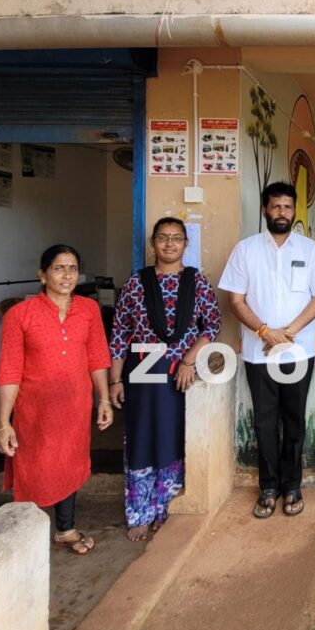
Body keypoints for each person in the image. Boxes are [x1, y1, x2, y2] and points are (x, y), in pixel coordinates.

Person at [220, 181, 315, 519]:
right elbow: (235, 300)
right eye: (275, 206)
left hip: (298, 353)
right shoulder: (246, 250)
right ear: (265, 210)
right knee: (264, 422)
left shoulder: (309, 250)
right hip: (259, 353)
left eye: (287, 207)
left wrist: (289, 332)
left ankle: (292, 486)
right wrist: (265, 332)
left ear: (294, 210)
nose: (281, 212)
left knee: (295, 421)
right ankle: (268, 487)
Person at [0, 244, 113, 555]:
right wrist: (3, 423)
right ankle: (25, 536)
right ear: (42, 274)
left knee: (68, 463)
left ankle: (65, 529)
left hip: (75, 405)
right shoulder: (20, 315)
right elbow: (9, 370)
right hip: (34, 409)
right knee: (32, 467)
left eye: (72, 268)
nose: (67, 275)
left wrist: (103, 399)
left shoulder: (88, 310)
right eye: (59, 268)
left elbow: (97, 356)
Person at [108, 217, 222, 541]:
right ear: (153, 243)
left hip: (180, 371)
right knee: (142, 435)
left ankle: (166, 509)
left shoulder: (197, 283)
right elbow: (120, 332)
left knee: (172, 436)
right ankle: (140, 512)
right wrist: (115, 380)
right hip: (143, 366)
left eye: (176, 238)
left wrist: (189, 360)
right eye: (163, 237)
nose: (169, 244)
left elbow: (212, 324)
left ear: (186, 244)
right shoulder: (136, 283)